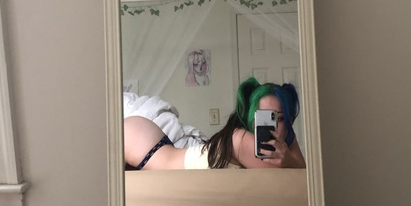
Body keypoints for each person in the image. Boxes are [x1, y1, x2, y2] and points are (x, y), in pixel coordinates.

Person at [124, 77, 306, 170]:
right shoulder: (242, 141)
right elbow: (303, 183)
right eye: (264, 118)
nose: (272, 127)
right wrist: (290, 159)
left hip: (153, 141)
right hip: (144, 142)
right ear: (252, 119)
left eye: (279, 118)